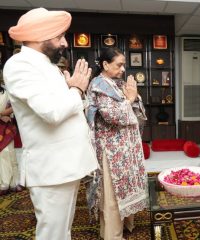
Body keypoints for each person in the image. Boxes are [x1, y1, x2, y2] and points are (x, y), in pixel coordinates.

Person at [3, 7, 98, 240]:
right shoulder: (20, 66)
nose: (65, 42)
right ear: (39, 37)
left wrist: (73, 90)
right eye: (59, 37)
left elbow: (65, 106)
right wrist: (76, 89)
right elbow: (53, 112)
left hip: (65, 166)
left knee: (62, 231)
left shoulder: (46, 65)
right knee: (53, 234)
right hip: (52, 169)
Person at [86, 47, 147, 240]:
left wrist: (134, 97)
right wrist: (129, 100)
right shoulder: (98, 85)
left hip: (126, 148)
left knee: (126, 186)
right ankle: (112, 234)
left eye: (124, 65)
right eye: (119, 64)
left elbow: (137, 110)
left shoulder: (117, 83)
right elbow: (111, 115)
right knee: (112, 195)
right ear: (105, 64)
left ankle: (127, 223)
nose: (123, 69)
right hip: (111, 151)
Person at [0, 80, 20, 196]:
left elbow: (15, 105)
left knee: (9, 153)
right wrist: (1, 115)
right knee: (2, 155)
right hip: (3, 123)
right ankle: (3, 184)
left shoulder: (5, 92)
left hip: (6, 127)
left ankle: (13, 183)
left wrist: (3, 114)